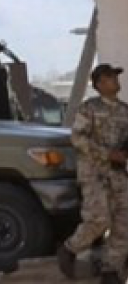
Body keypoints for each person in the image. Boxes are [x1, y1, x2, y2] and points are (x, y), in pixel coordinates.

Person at [60, 63, 128, 283]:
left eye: (115, 76)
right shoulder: (88, 108)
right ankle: (70, 248)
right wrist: (108, 154)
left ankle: (111, 270)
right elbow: (77, 138)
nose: (115, 80)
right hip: (94, 174)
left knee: (123, 222)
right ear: (99, 84)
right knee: (99, 220)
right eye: (110, 77)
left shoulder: (125, 111)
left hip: (118, 175)